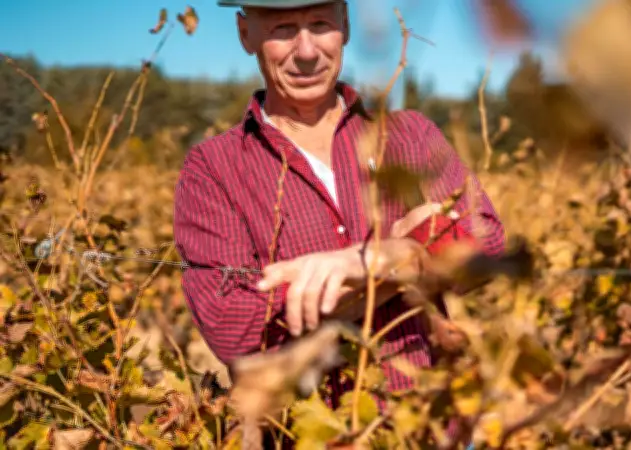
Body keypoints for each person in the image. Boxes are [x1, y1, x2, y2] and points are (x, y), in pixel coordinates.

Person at [173, 0, 505, 446]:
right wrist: (398, 263)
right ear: (245, 33)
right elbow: (235, 328)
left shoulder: (411, 135)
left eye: (320, 24)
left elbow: (488, 243)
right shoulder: (213, 168)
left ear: (345, 26)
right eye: (284, 29)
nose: (306, 50)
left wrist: (393, 255)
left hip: (429, 433)